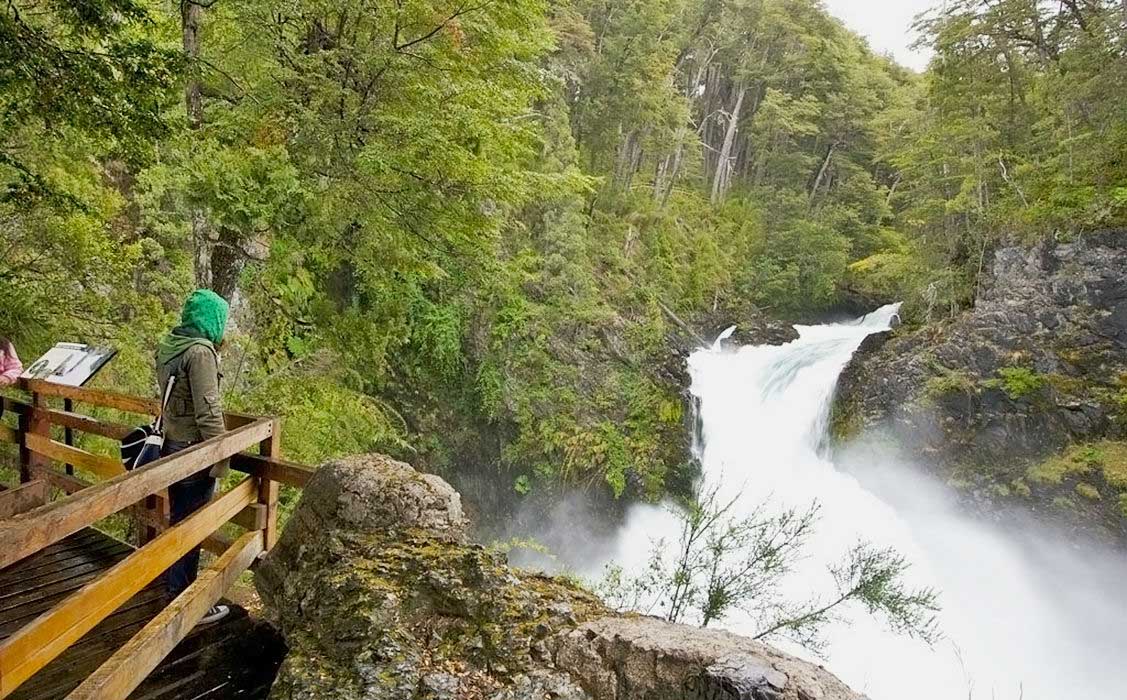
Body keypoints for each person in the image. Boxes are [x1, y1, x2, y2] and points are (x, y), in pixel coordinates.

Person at [156, 289, 231, 624]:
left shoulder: (172, 343)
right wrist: (222, 455)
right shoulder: (200, 352)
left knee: (179, 521)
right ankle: (183, 601)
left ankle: (175, 587)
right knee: (192, 526)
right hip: (193, 451)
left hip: (171, 445)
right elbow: (208, 411)